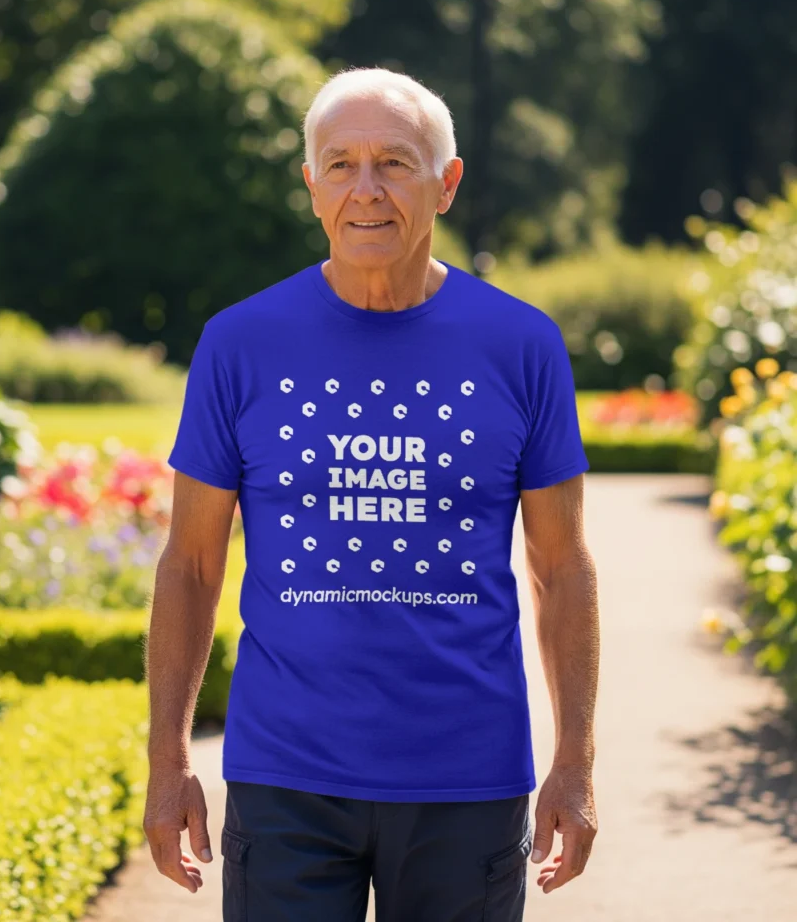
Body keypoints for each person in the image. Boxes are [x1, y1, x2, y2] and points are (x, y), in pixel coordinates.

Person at [144, 66, 599, 922]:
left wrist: (574, 761)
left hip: (467, 777)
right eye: (340, 163)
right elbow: (192, 564)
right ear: (311, 185)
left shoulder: (522, 345)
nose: (367, 191)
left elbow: (561, 568)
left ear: (447, 183)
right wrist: (167, 762)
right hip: (286, 776)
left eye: (394, 162)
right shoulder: (238, 344)